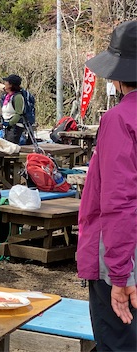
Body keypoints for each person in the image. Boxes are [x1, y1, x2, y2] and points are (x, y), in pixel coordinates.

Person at [76, 20, 137, 352]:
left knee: (118, 342)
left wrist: (120, 276)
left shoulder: (120, 119)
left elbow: (119, 201)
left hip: (123, 254)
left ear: (117, 75)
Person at [0, 74, 25, 144]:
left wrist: (9, 123)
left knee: (11, 149)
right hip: (7, 128)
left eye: (6, 82)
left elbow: (18, 114)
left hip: (15, 128)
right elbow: (7, 113)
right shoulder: (7, 96)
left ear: (11, 85)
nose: (5, 83)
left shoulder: (18, 97)